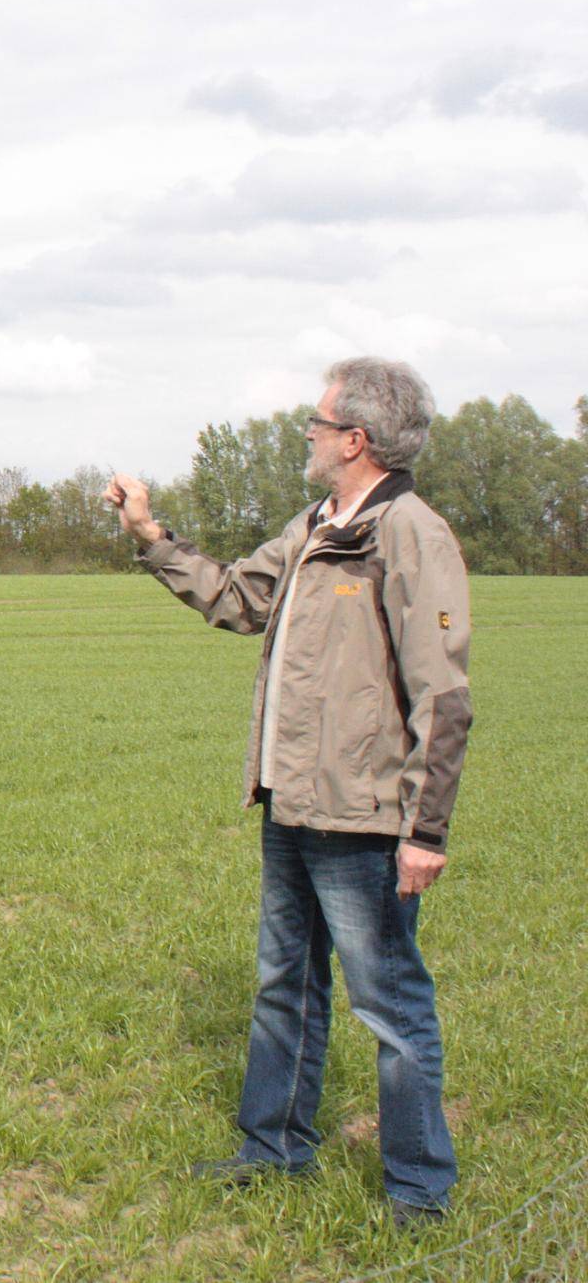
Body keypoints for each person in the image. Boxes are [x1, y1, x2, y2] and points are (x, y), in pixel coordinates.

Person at [103, 357, 471, 1229]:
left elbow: (444, 695)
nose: (308, 431)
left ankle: (419, 1191)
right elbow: (238, 597)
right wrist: (149, 534)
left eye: (320, 421)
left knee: (390, 1006)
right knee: (284, 985)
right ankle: (273, 1150)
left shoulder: (409, 533)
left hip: (365, 820)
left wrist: (425, 830)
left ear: (356, 439)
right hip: (292, 804)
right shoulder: (315, 527)